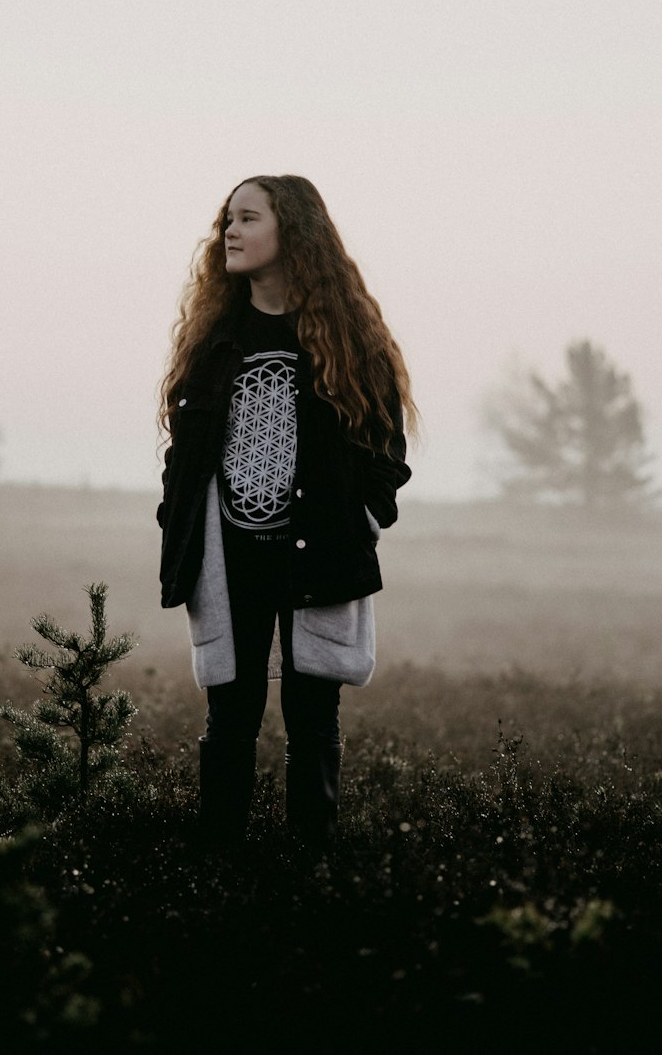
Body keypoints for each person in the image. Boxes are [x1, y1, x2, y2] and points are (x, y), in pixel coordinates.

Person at [157, 175, 417, 851]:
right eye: (226, 222)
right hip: (230, 561)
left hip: (318, 554)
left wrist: (365, 516)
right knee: (229, 719)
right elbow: (182, 454)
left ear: (291, 232)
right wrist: (176, 521)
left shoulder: (346, 338)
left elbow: (387, 445)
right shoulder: (215, 340)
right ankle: (216, 869)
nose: (230, 233)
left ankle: (312, 873)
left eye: (247, 218)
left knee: (313, 720)